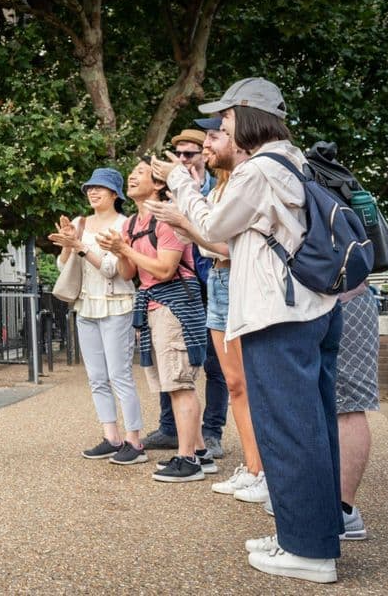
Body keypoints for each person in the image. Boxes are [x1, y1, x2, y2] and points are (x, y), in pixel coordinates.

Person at [151, 77, 342, 583]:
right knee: (314, 426)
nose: (222, 129)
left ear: (250, 118)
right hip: (311, 308)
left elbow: (213, 229)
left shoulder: (260, 169)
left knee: (289, 428)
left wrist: (181, 182)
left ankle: (307, 551)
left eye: (227, 120)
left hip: (278, 315)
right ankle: (313, 533)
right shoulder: (293, 161)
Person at [146, 119, 266, 501]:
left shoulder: (239, 183)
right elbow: (207, 243)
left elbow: (225, 244)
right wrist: (185, 222)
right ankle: (252, 467)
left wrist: (184, 221)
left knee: (244, 382)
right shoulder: (213, 189)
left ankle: (258, 467)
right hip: (215, 280)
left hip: (234, 278)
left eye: (211, 139)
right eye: (178, 155)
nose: (187, 158)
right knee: (234, 383)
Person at [97, 158, 213, 482]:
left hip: (176, 304)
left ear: (159, 184)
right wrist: (121, 251)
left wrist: (125, 249)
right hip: (154, 306)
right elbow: (129, 273)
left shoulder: (168, 219)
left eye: (140, 174)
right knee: (172, 383)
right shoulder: (130, 224)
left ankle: (187, 459)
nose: (131, 178)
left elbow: (165, 269)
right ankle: (201, 452)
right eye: (131, 174)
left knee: (179, 384)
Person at [265, 281, 379, 542]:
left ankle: (343, 509)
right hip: (321, 301)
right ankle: (323, 504)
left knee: (348, 406)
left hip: (342, 298)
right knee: (329, 405)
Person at [141, 128, 229, 459]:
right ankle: (170, 428)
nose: (182, 160)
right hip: (180, 290)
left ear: (203, 156)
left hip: (212, 286)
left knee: (215, 365)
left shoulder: (214, 189)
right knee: (170, 360)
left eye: (189, 154)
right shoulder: (169, 193)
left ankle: (211, 432)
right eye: (177, 154)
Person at [48, 168, 145, 465]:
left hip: (117, 304)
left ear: (115, 194)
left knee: (120, 375)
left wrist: (80, 246)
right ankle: (111, 436)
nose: (92, 192)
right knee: (97, 377)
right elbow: (63, 264)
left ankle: (135, 441)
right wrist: (68, 244)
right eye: (89, 188)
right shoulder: (79, 222)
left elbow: (111, 268)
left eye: (99, 188)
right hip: (86, 306)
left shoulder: (125, 224)